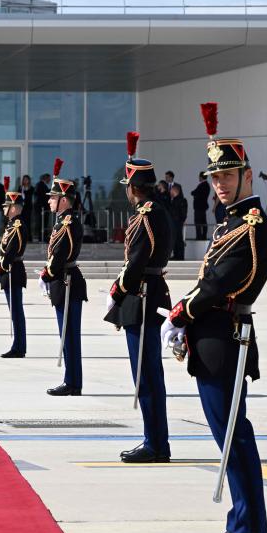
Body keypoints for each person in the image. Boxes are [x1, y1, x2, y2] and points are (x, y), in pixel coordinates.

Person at [162, 101, 267, 533]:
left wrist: (180, 313)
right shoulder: (229, 222)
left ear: (247, 174)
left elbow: (222, 282)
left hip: (226, 338)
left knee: (234, 437)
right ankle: (241, 525)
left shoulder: (253, 227)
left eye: (227, 176)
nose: (220, 185)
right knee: (228, 435)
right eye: (214, 178)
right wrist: (186, 316)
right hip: (210, 338)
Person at [104, 132, 173, 464]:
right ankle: (156, 439)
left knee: (146, 376)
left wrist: (118, 290)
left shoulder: (147, 214)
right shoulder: (156, 210)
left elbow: (137, 262)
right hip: (149, 293)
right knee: (149, 375)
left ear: (133, 186)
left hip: (142, 297)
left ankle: (155, 443)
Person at [40, 159, 87, 396]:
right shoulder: (62, 221)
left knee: (69, 335)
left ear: (64, 200)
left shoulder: (67, 223)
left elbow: (60, 254)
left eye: (52, 197)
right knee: (66, 334)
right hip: (63, 280)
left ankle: (73, 382)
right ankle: (72, 379)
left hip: (67, 281)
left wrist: (47, 273)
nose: (49, 201)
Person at [0, 189, 28, 358]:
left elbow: (11, 250)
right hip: (9, 270)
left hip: (13, 270)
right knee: (14, 311)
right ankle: (18, 345)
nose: (3, 209)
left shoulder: (17, 225)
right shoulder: (11, 224)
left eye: (6, 206)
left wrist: (1, 266)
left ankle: (19, 347)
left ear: (14, 208)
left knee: (16, 311)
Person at [191, 171, 211, 241]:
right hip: (203, 206)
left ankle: (199, 237)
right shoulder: (206, 185)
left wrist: (195, 194)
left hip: (199, 207)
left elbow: (194, 192)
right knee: (203, 222)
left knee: (198, 222)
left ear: (201, 177)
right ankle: (203, 236)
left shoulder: (202, 185)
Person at [170, 183, 188, 260]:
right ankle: (176, 254)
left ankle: (179, 255)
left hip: (177, 222)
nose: (170, 191)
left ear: (175, 190)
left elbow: (183, 212)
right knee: (175, 239)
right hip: (174, 222)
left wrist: (181, 220)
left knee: (179, 239)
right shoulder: (173, 200)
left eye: (171, 190)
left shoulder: (182, 200)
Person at [33, 173, 51, 241]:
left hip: (44, 207)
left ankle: (44, 236)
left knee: (44, 222)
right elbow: (41, 195)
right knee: (41, 222)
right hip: (41, 207)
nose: (49, 180)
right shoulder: (40, 185)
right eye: (49, 179)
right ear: (45, 178)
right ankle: (41, 237)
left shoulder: (43, 185)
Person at [19, 174, 33, 241]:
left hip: (28, 207)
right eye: (24, 179)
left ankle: (29, 237)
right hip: (21, 207)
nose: (25, 181)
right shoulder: (20, 188)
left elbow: (30, 196)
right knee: (21, 222)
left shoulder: (31, 188)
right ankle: (21, 237)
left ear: (29, 181)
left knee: (28, 222)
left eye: (26, 179)